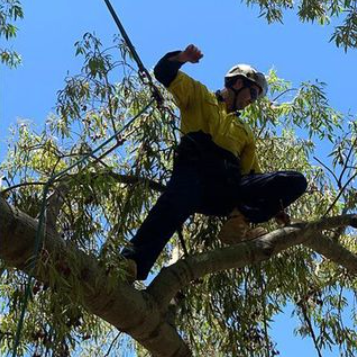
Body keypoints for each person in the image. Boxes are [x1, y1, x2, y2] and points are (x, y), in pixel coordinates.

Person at [122, 45, 307, 281]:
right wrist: (181, 58)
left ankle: (239, 222)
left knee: (294, 181)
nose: (253, 100)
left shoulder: (245, 132)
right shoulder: (200, 96)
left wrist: (275, 207)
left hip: (225, 189)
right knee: (170, 208)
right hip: (193, 177)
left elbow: (253, 174)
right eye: (253, 93)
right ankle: (130, 262)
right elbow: (163, 73)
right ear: (238, 84)